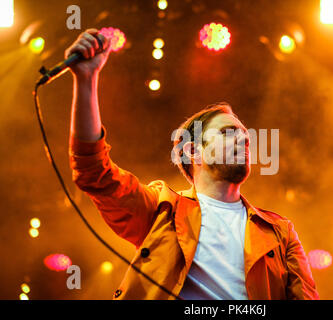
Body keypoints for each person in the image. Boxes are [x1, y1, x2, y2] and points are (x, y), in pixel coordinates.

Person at [67, 28, 319, 300]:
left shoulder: (280, 231)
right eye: (228, 133)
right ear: (193, 151)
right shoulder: (161, 210)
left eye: (246, 136)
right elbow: (95, 173)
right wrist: (86, 79)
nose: (244, 141)